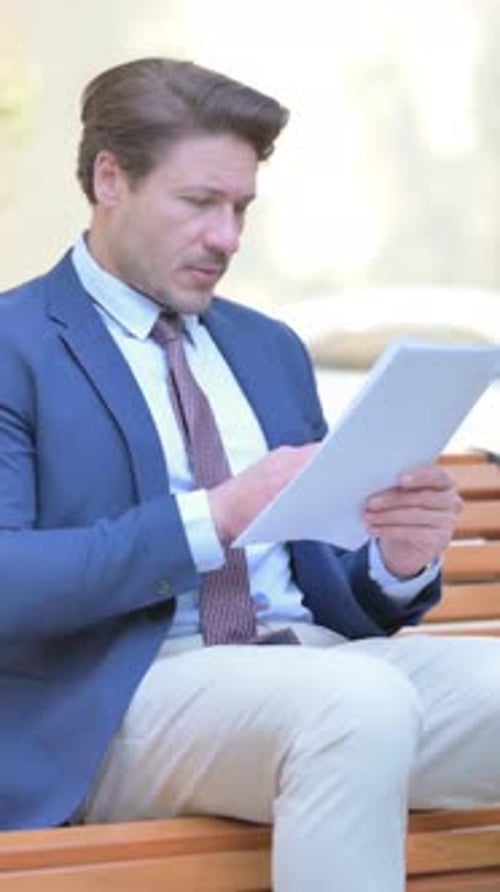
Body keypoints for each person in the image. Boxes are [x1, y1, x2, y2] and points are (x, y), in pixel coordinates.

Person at [0, 57, 498, 892]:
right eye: (200, 203)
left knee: (367, 703)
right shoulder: (15, 345)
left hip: (312, 670)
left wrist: (396, 559)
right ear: (109, 179)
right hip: (120, 703)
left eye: (241, 208)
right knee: (351, 709)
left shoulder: (265, 348)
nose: (227, 238)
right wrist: (215, 516)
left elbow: (337, 595)